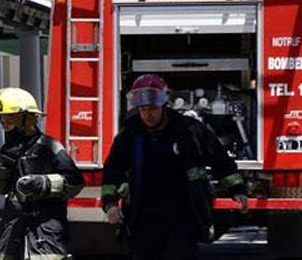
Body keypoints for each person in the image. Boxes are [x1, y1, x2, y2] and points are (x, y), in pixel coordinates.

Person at [101, 74, 249, 260]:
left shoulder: (188, 130)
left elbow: (219, 158)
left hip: (183, 213)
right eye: (143, 109)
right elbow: (113, 170)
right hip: (144, 216)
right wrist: (110, 204)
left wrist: (237, 188)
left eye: (153, 109)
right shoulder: (130, 133)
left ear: (163, 105)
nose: (148, 114)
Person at [0, 87, 84, 260]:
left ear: (28, 118)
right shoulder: (8, 151)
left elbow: (75, 181)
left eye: (10, 117)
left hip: (44, 235)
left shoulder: (49, 147)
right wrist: (3, 164)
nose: (4, 123)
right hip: (13, 234)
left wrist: (43, 183)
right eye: (2, 117)